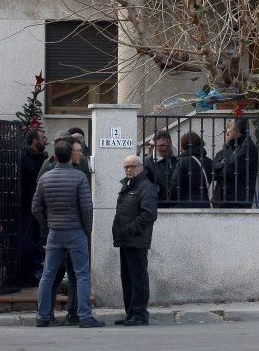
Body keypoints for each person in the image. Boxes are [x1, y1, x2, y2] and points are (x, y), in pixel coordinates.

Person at [32, 138, 104, 328]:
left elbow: (35, 207)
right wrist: (86, 230)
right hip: (76, 231)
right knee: (82, 275)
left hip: (55, 232)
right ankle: (85, 316)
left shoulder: (45, 178)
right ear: (71, 155)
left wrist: (46, 225)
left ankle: (42, 316)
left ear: (55, 156)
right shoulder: (79, 177)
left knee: (48, 275)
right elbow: (87, 208)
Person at [112, 155, 158, 326]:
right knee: (127, 278)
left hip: (136, 240)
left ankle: (140, 314)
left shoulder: (146, 187)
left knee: (138, 278)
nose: (129, 169)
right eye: (126, 167)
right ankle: (130, 313)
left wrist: (130, 229)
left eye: (132, 166)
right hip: (125, 240)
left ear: (140, 167)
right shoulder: (128, 185)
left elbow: (149, 214)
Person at [20, 127, 48, 287]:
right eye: (42, 138)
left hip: (42, 207)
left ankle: (37, 271)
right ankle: (26, 275)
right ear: (34, 141)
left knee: (39, 240)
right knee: (27, 241)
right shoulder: (23, 158)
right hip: (26, 206)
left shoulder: (44, 158)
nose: (45, 140)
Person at [213, 118, 258, 208]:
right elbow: (213, 167)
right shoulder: (231, 146)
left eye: (229, 127)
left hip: (236, 203)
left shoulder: (247, 148)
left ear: (237, 129)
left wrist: (220, 166)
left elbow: (228, 172)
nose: (227, 131)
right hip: (221, 201)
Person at [171, 132, 213, 207]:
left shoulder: (183, 161)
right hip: (204, 203)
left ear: (184, 146)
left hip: (186, 205)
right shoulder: (209, 162)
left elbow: (175, 185)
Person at [143, 130, 177, 206]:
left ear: (171, 142)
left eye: (166, 145)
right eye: (161, 146)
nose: (164, 148)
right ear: (155, 145)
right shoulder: (148, 161)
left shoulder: (179, 159)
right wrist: (159, 192)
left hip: (180, 203)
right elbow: (145, 182)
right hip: (159, 204)